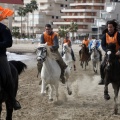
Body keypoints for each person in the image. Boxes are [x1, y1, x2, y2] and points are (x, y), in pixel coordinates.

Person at [0, 22, 21, 110]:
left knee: (8, 74)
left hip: (0, 56)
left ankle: (12, 100)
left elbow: (9, 42)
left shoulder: (3, 28)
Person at [99, 19, 120, 85]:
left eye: (111, 27)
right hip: (109, 53)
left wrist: (119, 51)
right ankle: (102, 79)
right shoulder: (105, 36)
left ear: (114, 27)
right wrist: (107, 50)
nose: (109, 28)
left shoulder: (118, 34)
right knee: (102, 65)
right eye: (108, 27)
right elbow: (103, 45)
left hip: (117, 53)